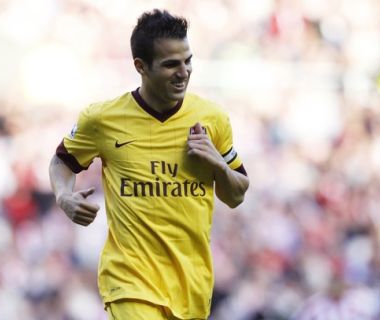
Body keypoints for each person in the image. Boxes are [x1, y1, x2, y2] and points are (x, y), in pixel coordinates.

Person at [48, 8, 249, 320]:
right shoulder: (102, 119)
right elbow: (62, 162)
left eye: (188, 60)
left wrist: (218, 166)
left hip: (191, 284)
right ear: (141, 67)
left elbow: (236, 195)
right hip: (129, 281)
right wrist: (63, 197)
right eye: (171, 64)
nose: (184, 72)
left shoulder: (212, 119)